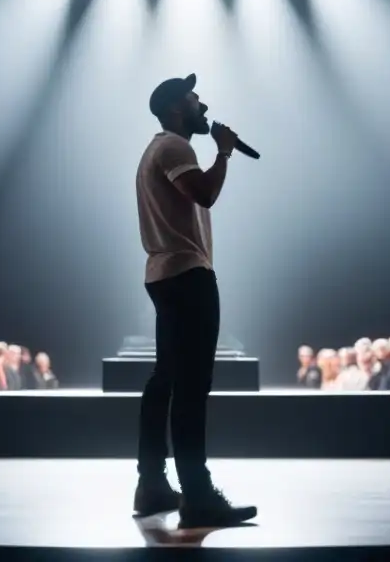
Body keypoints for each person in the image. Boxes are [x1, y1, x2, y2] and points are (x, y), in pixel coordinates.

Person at [133, 73, 257, 528]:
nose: (203, 106)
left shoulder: (159, 149)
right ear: (174, 109)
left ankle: (151, 484)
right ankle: (198, 494)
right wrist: (223, 152)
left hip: (166, 274)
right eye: (193, 99)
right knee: (190, 386)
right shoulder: (173, 147)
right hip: (187, 274)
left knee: (166, 379)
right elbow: (205, 194)